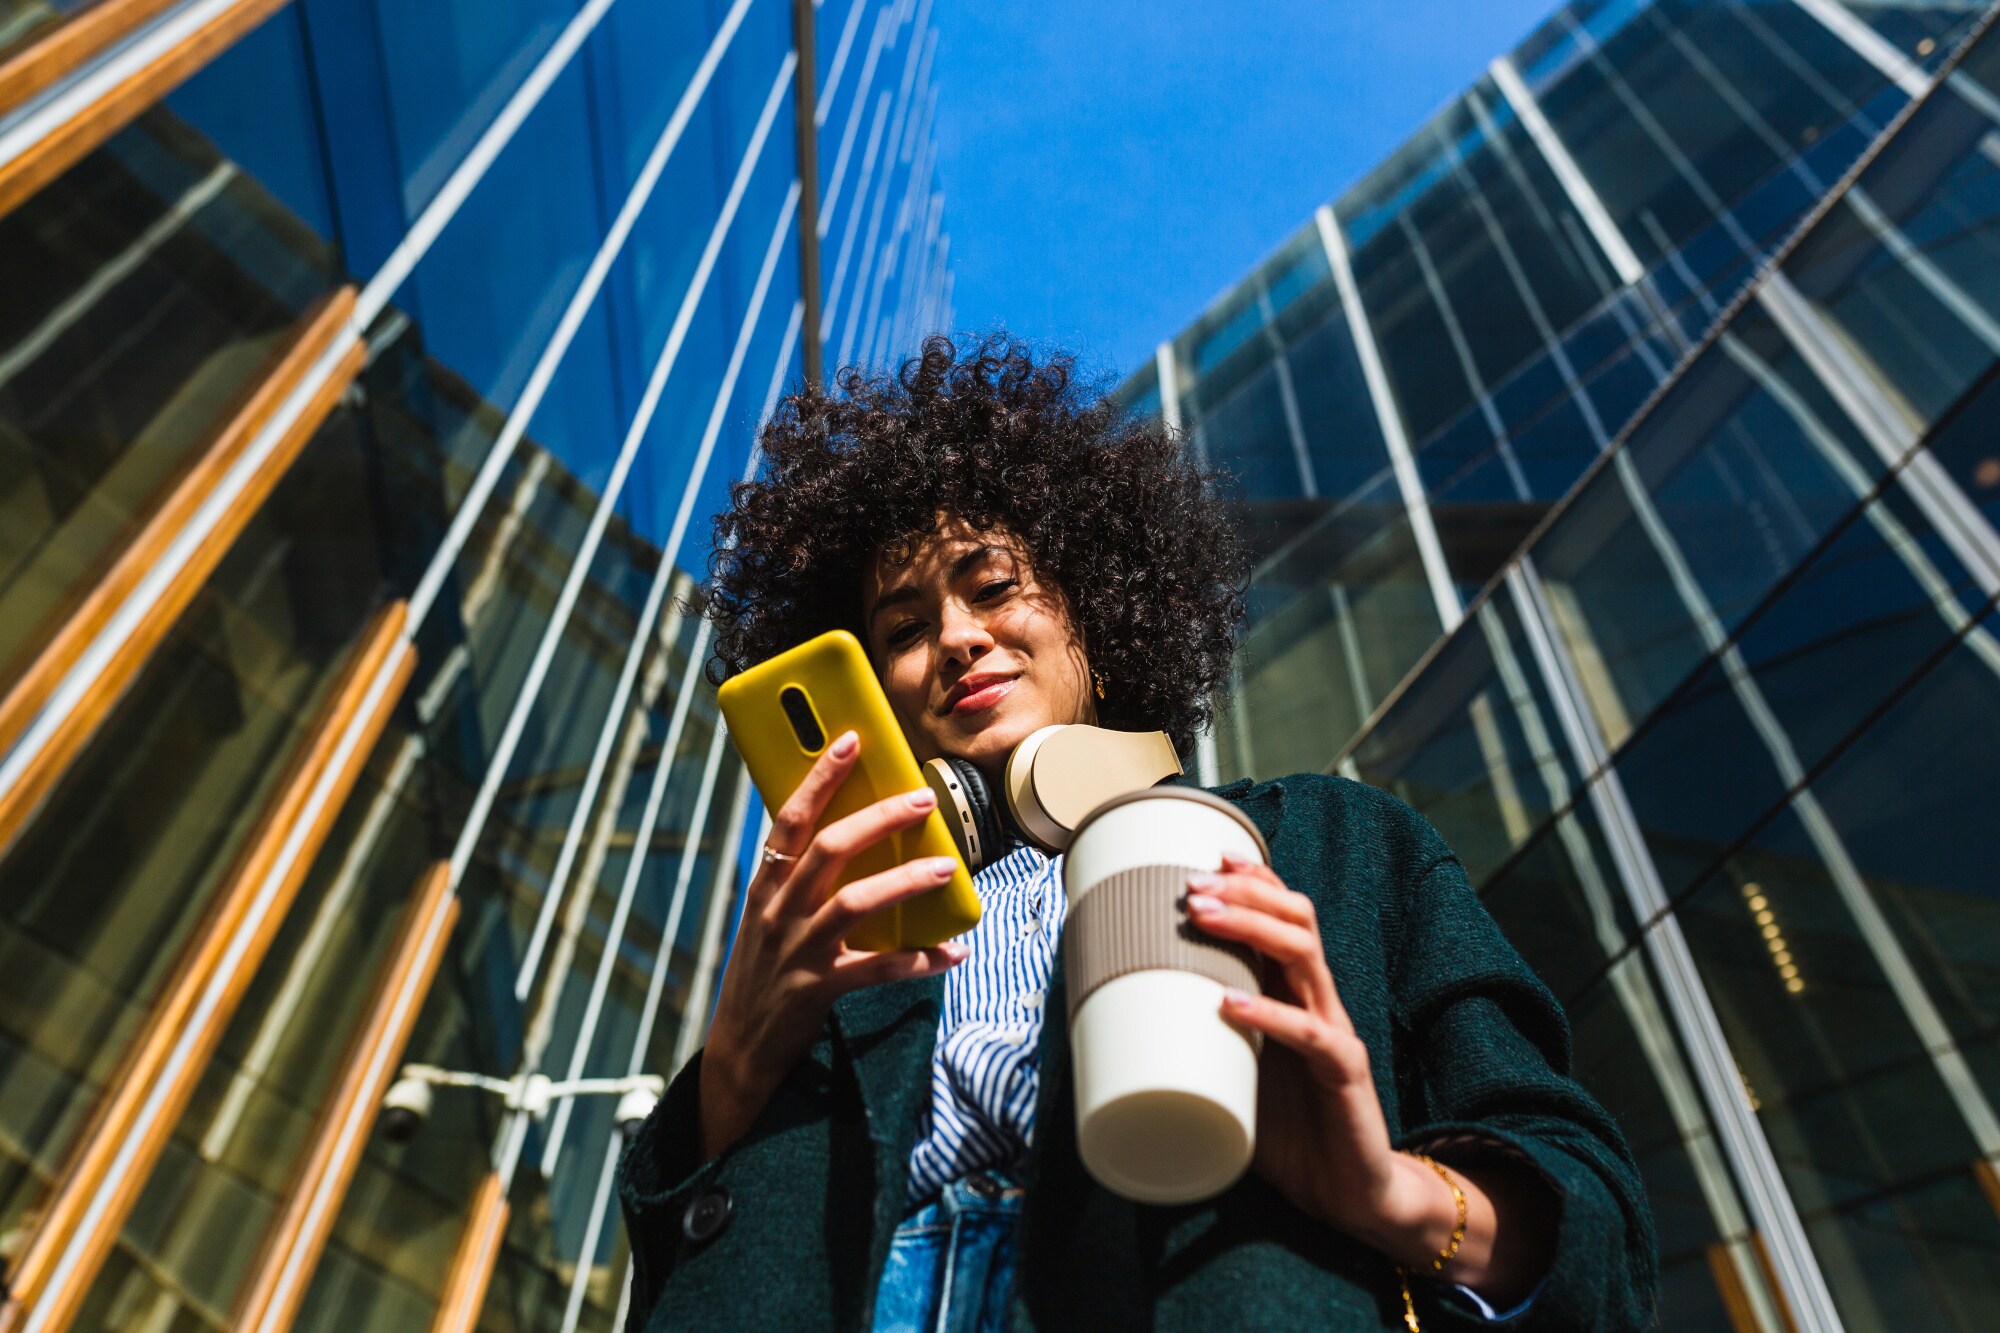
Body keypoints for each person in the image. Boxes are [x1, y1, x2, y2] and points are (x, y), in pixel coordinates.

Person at [617, 337, 1656, 1331]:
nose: (956, 638)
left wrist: (1391, 1193)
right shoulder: (836, 931)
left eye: (993, 587)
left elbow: (1593, 1233)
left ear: (1095, 617)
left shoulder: (1334, 840)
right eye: (902, 630)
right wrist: (728, 1080)